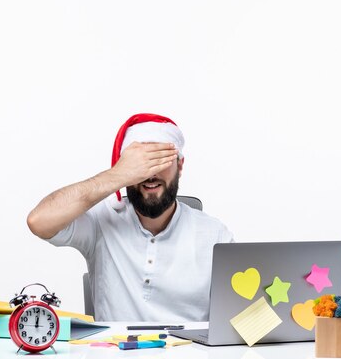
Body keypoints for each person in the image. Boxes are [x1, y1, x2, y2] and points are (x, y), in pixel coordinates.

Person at [27, 113, 233, 321]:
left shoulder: (215, 235)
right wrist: (118, 174)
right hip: (117, 351)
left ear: (179, 166)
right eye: (140, 163)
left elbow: (240, 316)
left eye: (159, 160)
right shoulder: (101, 221)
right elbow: (39, 221)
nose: (150, 174)